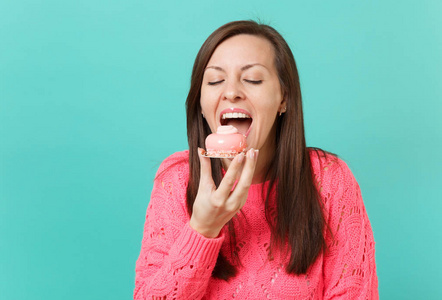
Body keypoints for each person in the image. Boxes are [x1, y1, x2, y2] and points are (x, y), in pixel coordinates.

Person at [134, 20, 378, 299]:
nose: (231, 91)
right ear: (200, 105)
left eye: (252, 79)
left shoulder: (329, 179)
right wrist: (203, 228)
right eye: (215, 80)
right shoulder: (176, 180)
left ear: (283, 98)